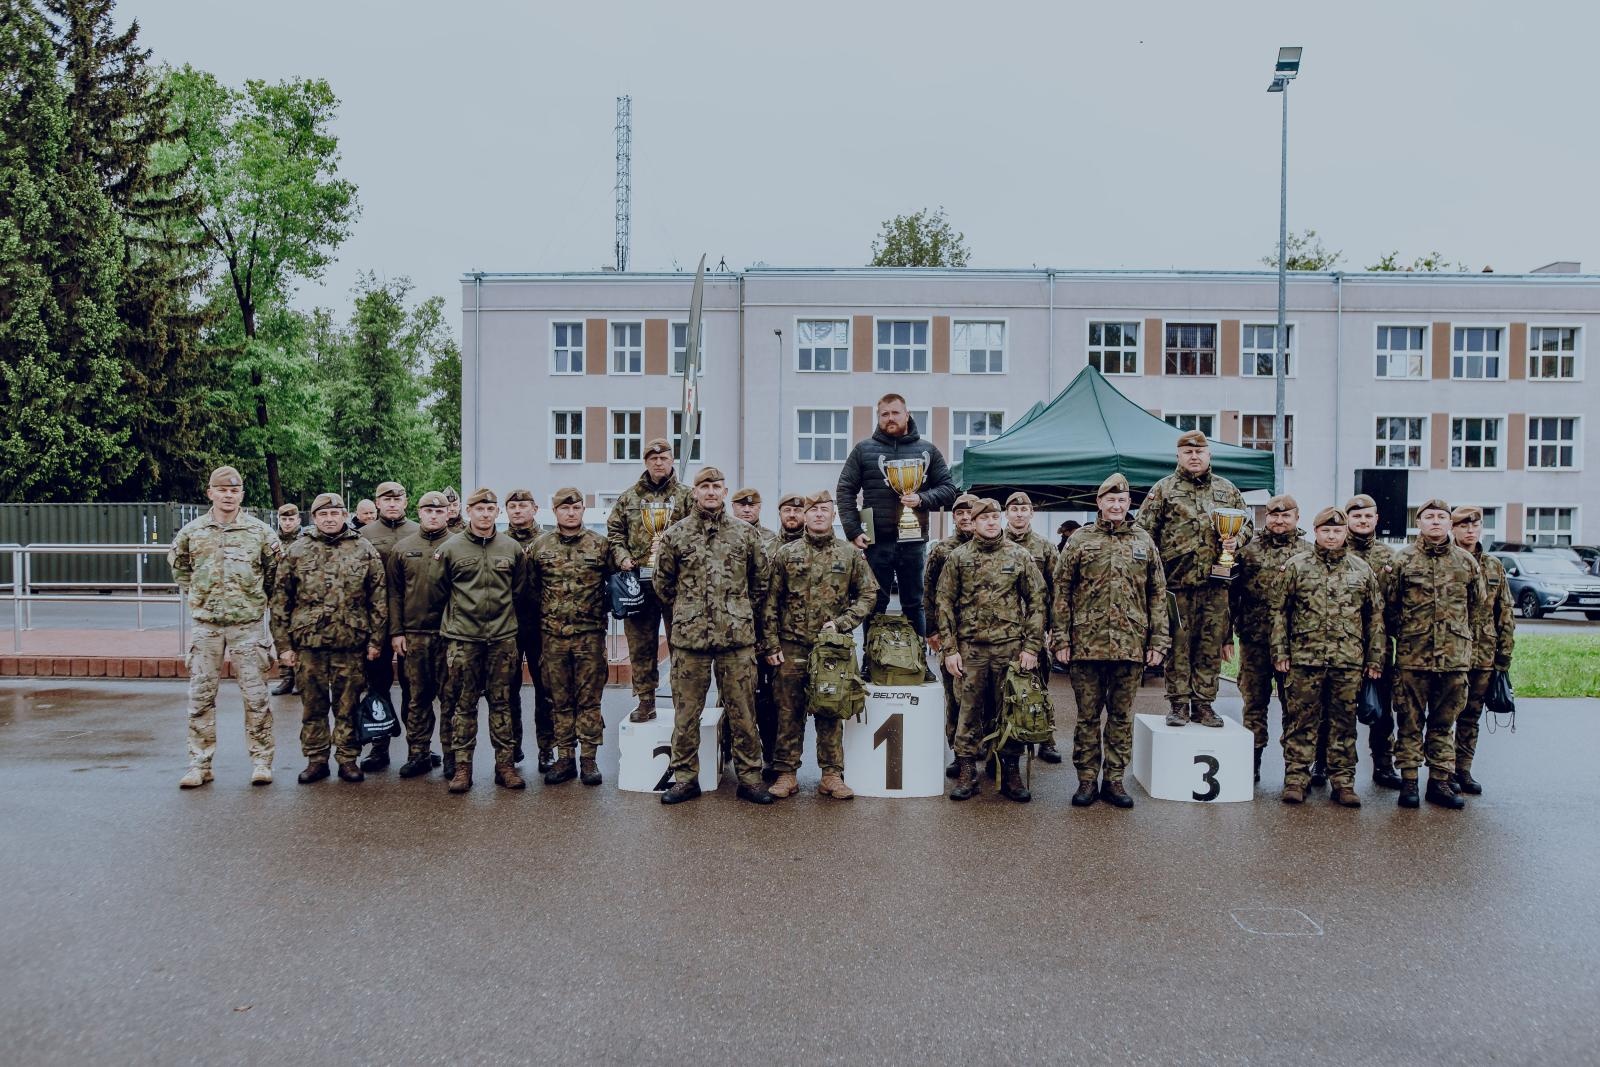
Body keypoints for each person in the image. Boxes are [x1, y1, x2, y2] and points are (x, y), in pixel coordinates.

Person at [654, 467, 775, 806]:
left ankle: (750, 778)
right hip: (690, 639)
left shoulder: (744, 534)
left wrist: (736, 610)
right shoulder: (676, 534)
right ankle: (684, 778)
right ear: (694, 493)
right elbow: (663, 584)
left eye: (716, 486)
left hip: (736, 638)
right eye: (704, 486)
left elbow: (760, 582)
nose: (710, 492)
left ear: (725, 491)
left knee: (742, 710)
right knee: (686, 711)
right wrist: (689, 609)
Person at [1052, 473, 1168, 809]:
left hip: (1130, 645)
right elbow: (1062, 590)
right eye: (1110, 500)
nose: (1116, 505)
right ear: (1099, 503)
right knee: (1087, 717)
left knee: (1120, 716)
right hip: (1085, 644)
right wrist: (1061, 637)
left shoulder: (1144, 541)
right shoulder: (1080, 540)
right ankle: (1087, 779)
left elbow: (1158, 594)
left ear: (1128, 504)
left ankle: (1114, 779)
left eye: (1122, 500)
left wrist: (1158, 642)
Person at [168, 466, 281, 789]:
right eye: (223, 490)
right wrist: (201, 596)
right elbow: (180, 568)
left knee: (256, 697)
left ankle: (261, 761)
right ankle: (199, 763)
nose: (229, 495)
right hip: (207, 627)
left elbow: (275, 573)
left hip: (247, 626)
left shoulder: (259, 533)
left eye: (234, 491)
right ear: (210, 493)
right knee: (200, 696)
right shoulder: (193, 532)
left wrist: (256, 601)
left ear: (241, 494)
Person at [763, 490, 878, 800]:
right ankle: (786, 772)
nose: (817, 515)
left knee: (830, 707)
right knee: (788, 710)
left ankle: (831, 774)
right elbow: (771, 600)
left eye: (823, 510)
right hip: (792, 644)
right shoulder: (787, 554)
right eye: (812, 510)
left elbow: (869, 594)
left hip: (831, 648)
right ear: (804, 516)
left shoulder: (849, 554)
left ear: (833, 515)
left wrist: (842, 623)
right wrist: (771, 644)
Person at [1136, 429, 1252, 728]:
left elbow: (1248, 526)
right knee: (1178, 645)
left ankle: (1203, 704)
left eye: (1200, 452)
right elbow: (1143, 533)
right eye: (1188, 452)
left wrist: (1235, 542)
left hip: (1216, 584)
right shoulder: (1163, 490)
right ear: (1179, 456)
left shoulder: (1226, 490)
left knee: (1209, 645)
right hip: (1176, 585)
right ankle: (1178, 704)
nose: (1194, 456)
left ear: (1209, 455)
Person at [1271, 507, 1385, 807]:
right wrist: (1280, 651)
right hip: (1304, 658)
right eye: (1326, 531)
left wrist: (1375, 659)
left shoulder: (1361, 569)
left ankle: (1343, 782)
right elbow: (1280, 612)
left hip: (1348, 661)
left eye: (1337, 531)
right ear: (1316, 532)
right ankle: (1296, 778)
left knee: (1343, 724)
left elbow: (1374, 618)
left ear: (1345, 532)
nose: (1331, 536)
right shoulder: (1296, 566)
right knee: (1301, 722)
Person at [270, 493, 387, 785]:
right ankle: (316, 759)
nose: (330, 519)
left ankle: (348, 758)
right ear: (314, 518)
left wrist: (376, 641)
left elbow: (379, 598)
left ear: (345, 515)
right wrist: (283, 646)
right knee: (313, 706)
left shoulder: (363, 549)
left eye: (335, 514)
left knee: (348, 705)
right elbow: (280, 601)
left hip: (351, 642)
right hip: (309, 643)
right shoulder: (297, 550)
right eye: (323, 515)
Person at [935, 498, 1046, 803]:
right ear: (974, 521)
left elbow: (1037, 602)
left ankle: (1009, 770)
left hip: (1009, 648)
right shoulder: (958, 557)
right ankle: (968, 770)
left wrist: (1031, 647)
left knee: (1008, 710)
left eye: (995, 517)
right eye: (984, 518)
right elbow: (943, 603)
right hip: (970, 649)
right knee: (967, 711)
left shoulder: (1019, 555)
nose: (991, 522)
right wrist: (950, 649)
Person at [1386, 499, 1484, 810]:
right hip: (1413, 657)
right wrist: (1409, 632)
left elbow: (1476, 606)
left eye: (1442, 517)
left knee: (1444, 723)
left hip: (1453, 658)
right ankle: (1410, 781)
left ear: (1448, 523)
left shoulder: (1466, 562)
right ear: (1419, 522)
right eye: (1429, 517)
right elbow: (1388, 607)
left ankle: (1440, 781)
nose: (1436, 522)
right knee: (1410, 722)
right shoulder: (1403, 561)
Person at [835, 393, 958, 643]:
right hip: (876, 541)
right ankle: (873, 659)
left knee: (914, 601)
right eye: (885, 414)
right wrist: (853, 530)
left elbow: (948, 489)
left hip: (913, 540)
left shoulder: (927, 450)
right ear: (878, 417)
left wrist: (922, 499)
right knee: (874, 600)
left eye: (895, 413)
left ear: (907, 414)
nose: (890, 418)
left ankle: (917, 660)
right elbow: (845, 489)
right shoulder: (863, 450)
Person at [435, 488, 528, 793]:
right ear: (468, 511)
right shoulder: (451, 548)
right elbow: (440, 590)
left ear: (497, 513)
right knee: (464, 706)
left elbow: (518, 589)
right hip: (463, 639)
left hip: (502, 639)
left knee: (502, 704)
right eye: (479, 509)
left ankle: (505, 766)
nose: (485, 514)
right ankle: (463, 768)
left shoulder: (511, 548)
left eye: (490, 509)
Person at [522, 487, 613, 787]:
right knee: (558, 699)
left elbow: (614, 586)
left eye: (575, 508)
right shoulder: (539, 547)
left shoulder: (601, 546)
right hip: (554, 637)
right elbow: (532, 590)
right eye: (564, 508)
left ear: (582, 511)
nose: (570, 513)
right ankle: (564, 758)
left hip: (589, 637)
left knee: (589, 700)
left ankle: (589, 759)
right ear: (554, 510)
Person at [607, 438, 694, 723]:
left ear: (671, 460)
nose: (659, 463)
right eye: (653, 458)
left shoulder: (686, 497)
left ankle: (684, 701)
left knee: (681, 644)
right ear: (646, 462)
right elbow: (615, 534)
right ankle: (646, 700)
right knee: (641, 645)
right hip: (638, 584)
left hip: (676, 585)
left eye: (664, 458)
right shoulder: (629, 498)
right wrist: (622, 557)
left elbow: (698, 534)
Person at [1229, 494, 1308, 781]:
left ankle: (1296, 769)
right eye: (1274, 514)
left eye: (1286, 515)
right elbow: (1232, 596)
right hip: (1255, 641)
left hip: (1296, 645)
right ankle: (1253, 763)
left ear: (1297, 518)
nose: (1279, 520)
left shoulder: (1308, 553)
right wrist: (1228, 633)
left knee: (1296, 707)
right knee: (1254, 704)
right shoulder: (1248, 552)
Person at [387, 491, 455, 779]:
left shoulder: (459, 544)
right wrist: (396, 631)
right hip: (414, 635)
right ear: (419, 512)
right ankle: (418, 753)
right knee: (417, 697)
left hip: (449, 634)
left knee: (451, 698)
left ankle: (452, 755)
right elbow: (394, 593)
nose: (434, 515)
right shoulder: (403, 548)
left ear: (448, 514)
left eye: (440, 511)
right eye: (429, 511)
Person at [1450, 505, 1515, 795]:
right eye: (1463, 525)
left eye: (1474, 525)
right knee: (1444, 717)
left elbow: (1505, 612)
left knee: (1470, 717)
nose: (1469, 530)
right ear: (1453, 529)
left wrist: (1504, 656)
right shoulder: (1448, 562)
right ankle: (1442, 771)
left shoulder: (1493, 566)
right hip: (1450, 654)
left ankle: (1462, 770)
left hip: (1483, 655)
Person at [357, 481, 418, 773]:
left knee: (414, 689)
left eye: (398, 499)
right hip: (375, 622)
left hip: (411, 621)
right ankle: (379, 747)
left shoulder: (418, 531)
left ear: (406, 502)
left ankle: (417, 748)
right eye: (386, 499)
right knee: (377, 686)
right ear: (377, 503)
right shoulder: (364, 535)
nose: (393, 504)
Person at [1344, 493, 1401, 788]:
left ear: (1376, 519)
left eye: (1368, 516)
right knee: (1335, 709)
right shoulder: (1337, 549)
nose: (1362, 521)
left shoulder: (1390, 556)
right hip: (1341, 641)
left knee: (1380, 707)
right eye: (1356, 516)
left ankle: (1383, 764)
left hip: (1379, 643)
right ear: (1347, 519)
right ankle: (1326, 763)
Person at [1004, 491, 1063, 763]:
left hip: (1035, 629)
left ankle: (1045, 738)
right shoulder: (995, 542)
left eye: (1023, 509)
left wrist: (1053, 629)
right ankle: (1001, 739)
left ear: (1031, 513)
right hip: (1002, 630)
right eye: (1014, 509)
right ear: (1007, 513)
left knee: (1038, 685)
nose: (1019, 513)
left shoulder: (1045, 547)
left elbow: (1057, 590)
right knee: (1001, 688)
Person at [926, 494, 977, 774]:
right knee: (955, 697)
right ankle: (959, 753)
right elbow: (930, 592)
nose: (966, 517)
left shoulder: (995, 546)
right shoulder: (942, 550)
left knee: (987, 699)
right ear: (954, 517)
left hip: (985, 636)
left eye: (971, 512)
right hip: (951, 636)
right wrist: (932, 630)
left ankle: (985, 750)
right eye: (961, 514)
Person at [504, 487, 555, 771]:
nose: (518, 510)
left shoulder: (548, 540)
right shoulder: (498, 542)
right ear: (506, 510)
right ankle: (512, 748)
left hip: (541, 624)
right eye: (512, 506)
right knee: (507, 689)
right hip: (508, 625)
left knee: (544, 688)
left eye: (523, 505)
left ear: (535, 509)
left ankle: (546, 748)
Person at [271, 503, 303, 696]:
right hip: (278, 598)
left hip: (299, 598)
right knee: (280, 636)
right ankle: (286, 678)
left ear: (298, 520)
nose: (288, 523)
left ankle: (300, 678)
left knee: (299, 638)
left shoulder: (305, 540)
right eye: (284, 519)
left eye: (291, 519)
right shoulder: (272, 542)